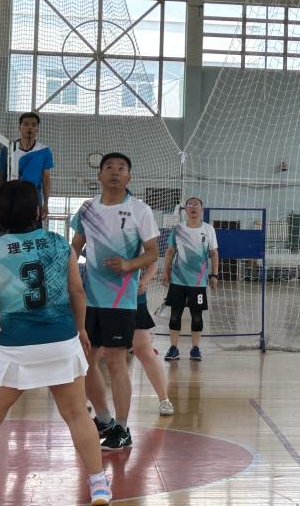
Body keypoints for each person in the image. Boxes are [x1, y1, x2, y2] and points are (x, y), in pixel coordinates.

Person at [0, 180, 111, 506]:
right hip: (61, 340)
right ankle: (99, 486)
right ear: (39, 211)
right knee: (77, 415)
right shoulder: (59, 244)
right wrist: (81, 329)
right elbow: (77, 291)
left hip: (16, 345)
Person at [71, 153, 159, 451]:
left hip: (121, 300)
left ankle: (122, 428)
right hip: (88, 298)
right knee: (85, 360)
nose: (115, 172)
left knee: (115, 361)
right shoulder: (88, 209)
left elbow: (152, 252)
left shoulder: (139, 210)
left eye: (121, 168)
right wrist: (67, 278)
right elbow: (75, 247)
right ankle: (105, 419)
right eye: (109, 167)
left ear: (128, 177)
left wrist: (128, 264)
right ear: (99, 175)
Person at [163, 197, 219, 362]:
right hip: (177, 281)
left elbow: (214, 253)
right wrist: (165, 271)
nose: (193, 207)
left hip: (198, 283)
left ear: (202, 209)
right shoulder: (178, 229)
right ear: (185, 209)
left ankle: (195, 349)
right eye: (190, 205)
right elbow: (170, 251)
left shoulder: (208, 229)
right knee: (175, 315)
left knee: (197, 316)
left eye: (196, 205)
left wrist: (214, 275)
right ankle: (173, 348)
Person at [0, 112, 54, 224]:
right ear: (20, 127)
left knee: (32, 229)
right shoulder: (8, 148)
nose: (29, 127)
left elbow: (46, 179)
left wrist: (45, 203)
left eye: (33, 125)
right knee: (11, 229)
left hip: (33, 199)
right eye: (26, 124)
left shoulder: (45, 151)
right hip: (11, 198)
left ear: (37, 129)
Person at [133, 259, 173, 416]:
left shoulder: (138, 244)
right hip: (99, 302)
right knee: (95, 354)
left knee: (145, 351)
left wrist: (144, 280)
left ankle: (164, 399)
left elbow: (152, 261)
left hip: (134, 300)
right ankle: (84, 400)